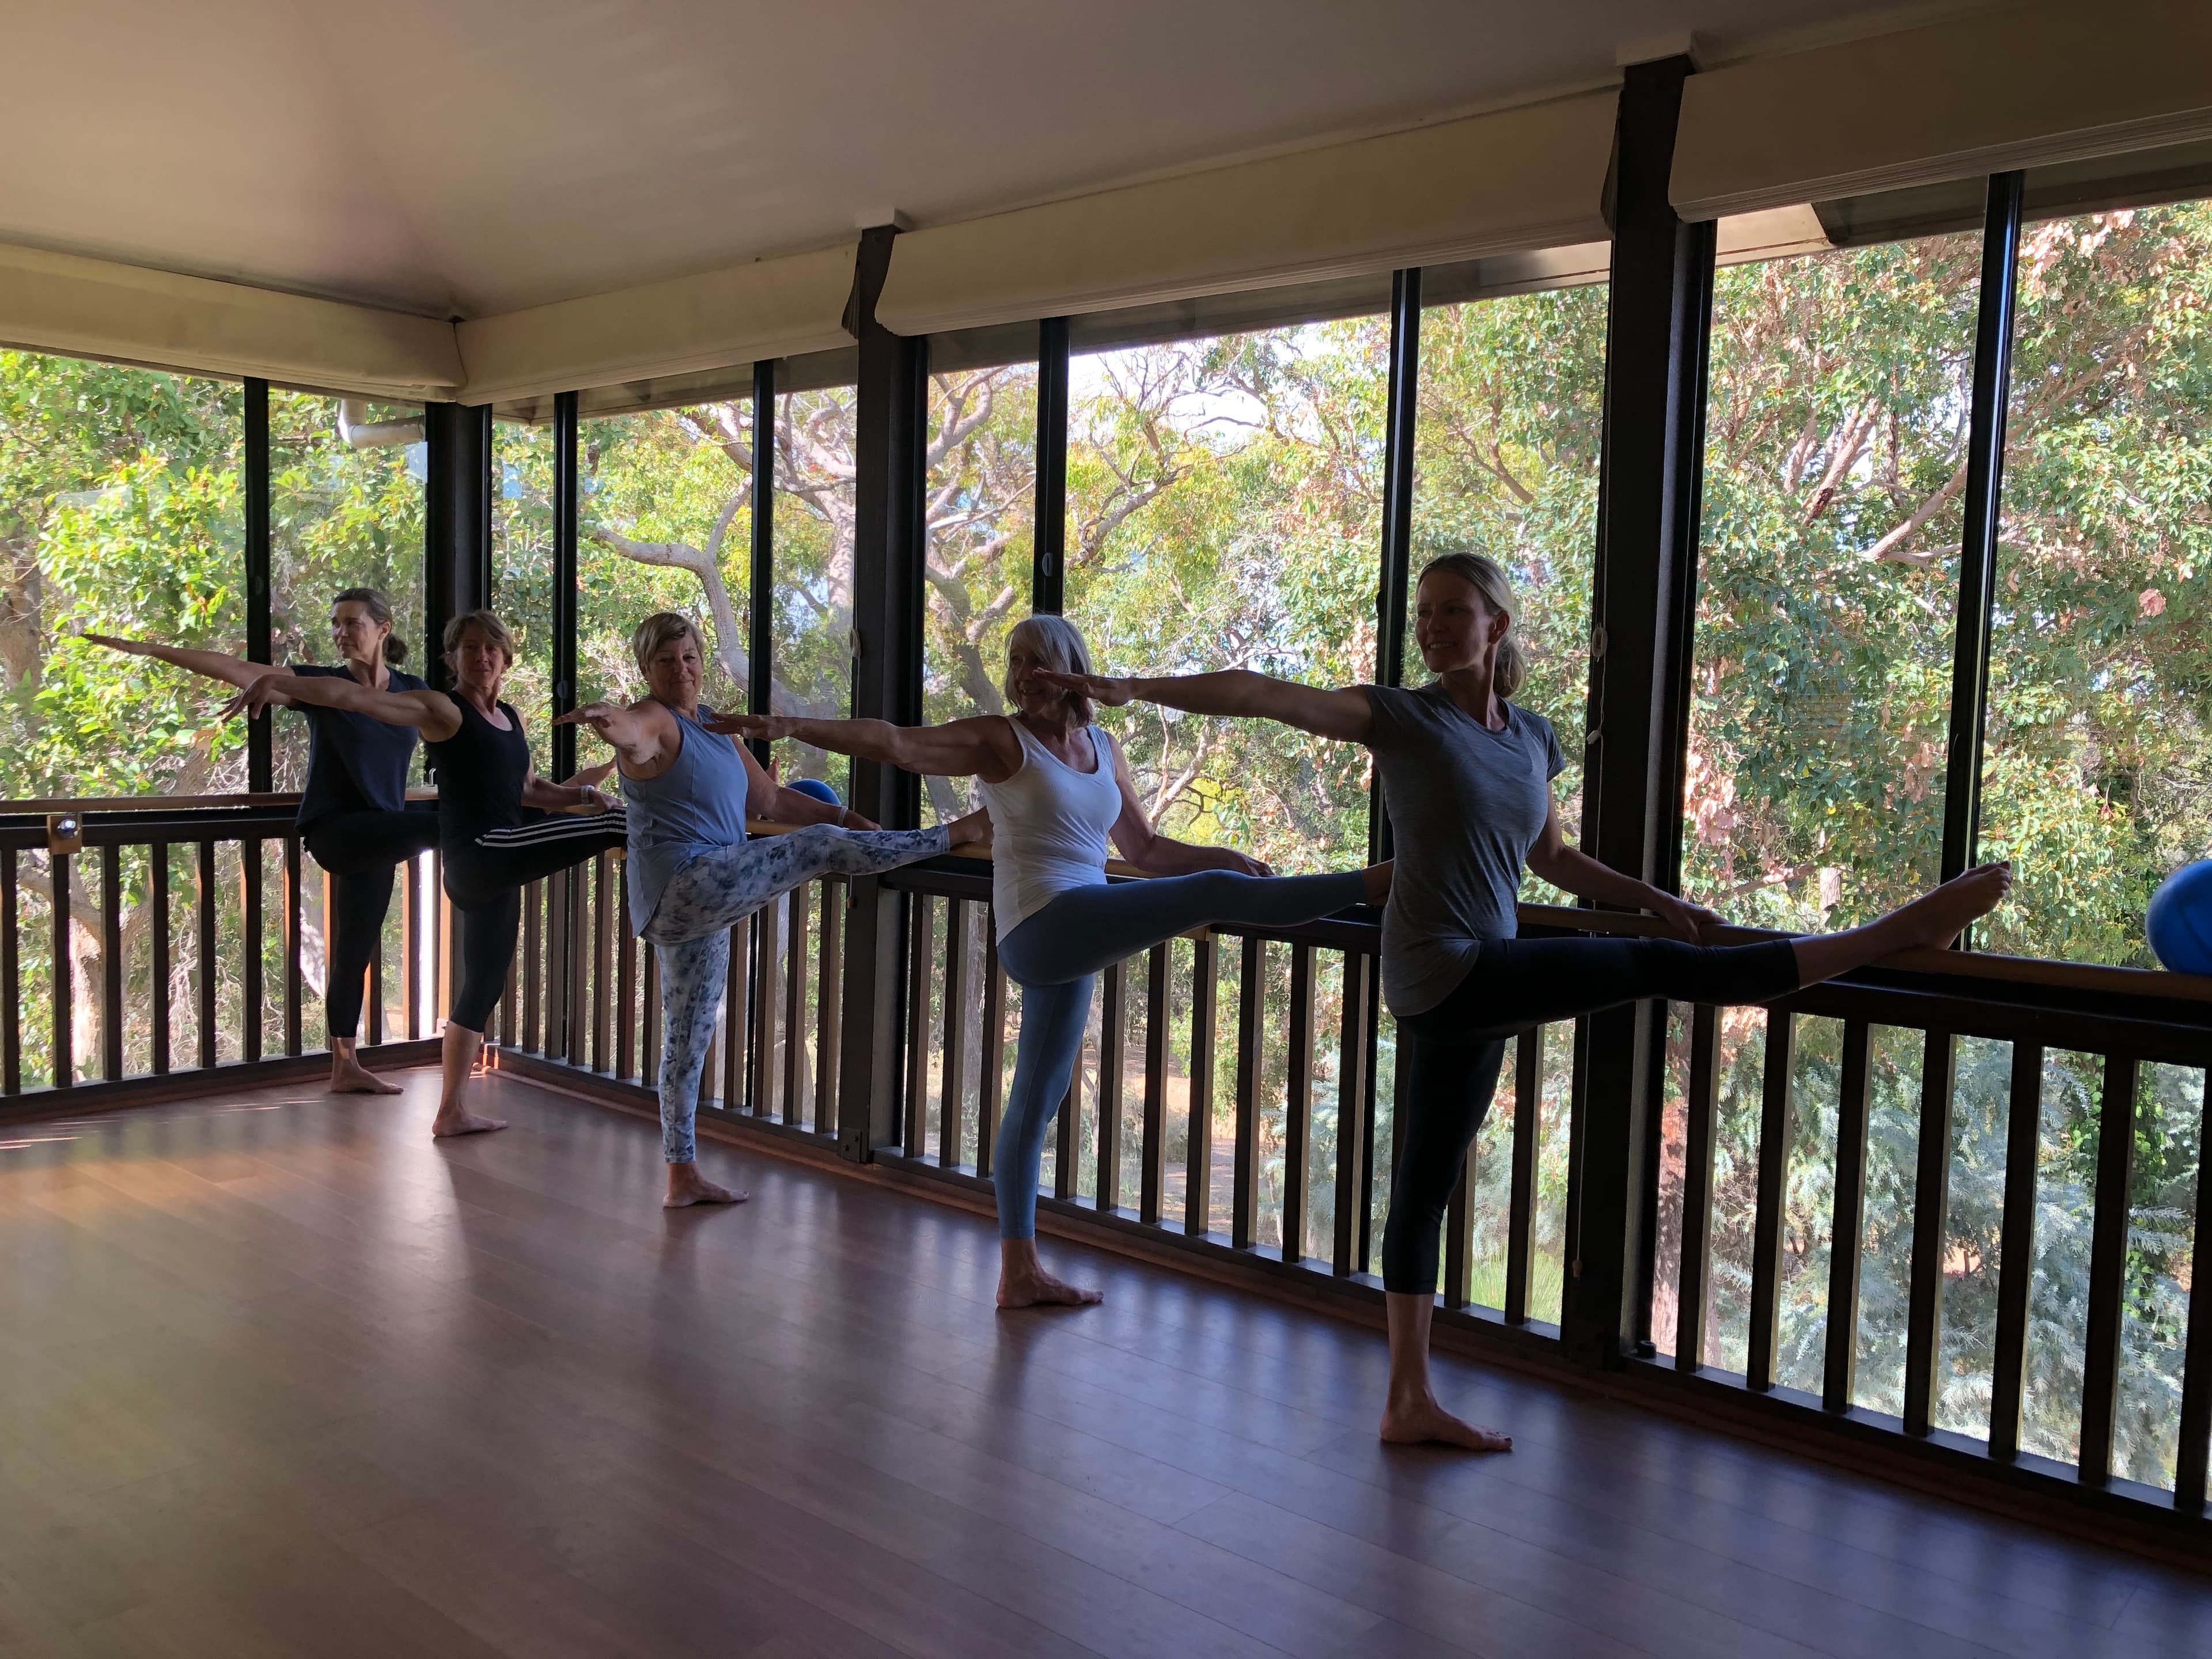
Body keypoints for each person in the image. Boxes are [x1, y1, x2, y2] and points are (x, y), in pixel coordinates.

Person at [1034, 551, 2011, 1450]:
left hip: (1487, 967)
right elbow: (1265, 696)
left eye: (1451, 610)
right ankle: (1882, 938)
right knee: (1643, 972)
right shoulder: (1404, 718)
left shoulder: (1531, 740)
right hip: (1439, 967)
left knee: (1425, 1185)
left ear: (1496, 624)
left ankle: (1407, 1401)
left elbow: (1551, 857)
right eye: (1423, 613)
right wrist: (1135, 689)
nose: (1432, 626)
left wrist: (1652, 898)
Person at [718, 614, 1389, 1309]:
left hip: (1084, 925)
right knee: (1218, 897)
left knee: (1036, 1102)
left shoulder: (1103, 745)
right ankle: (1375, 883)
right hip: (1041, 926)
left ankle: (1018, 1273)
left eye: (1038, 661)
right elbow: (896, 743)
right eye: (1015, 661)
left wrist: (1220, 856)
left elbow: (1147, 853)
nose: (1023, 674)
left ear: (1073, 667)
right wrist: (791, 727)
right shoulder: (999, 740)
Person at [556, 612, 987, 1209]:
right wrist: (610, 721)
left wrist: (843, 818)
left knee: (687, 1038)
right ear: (646, 671)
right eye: (665, 661)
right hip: (689, 883)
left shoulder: (717, 729)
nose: (680, 669)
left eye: (688, 657)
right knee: (813, 852)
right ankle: (951, 834)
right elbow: (634, 732)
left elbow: (772, 800)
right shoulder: (653, 719)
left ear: (702, 662)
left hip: (685, 902)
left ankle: (681, 1178)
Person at [226, 609, 626, 1138]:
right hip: (482, 852)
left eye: (491, 649)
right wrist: (276, 680)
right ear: (452, 658)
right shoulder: (443, 709)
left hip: (499, 862)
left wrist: (580, 796)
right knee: (622, 824)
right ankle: (694, 865)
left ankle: (451, 1111)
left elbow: (529, 791)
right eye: (469, 648)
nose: (481, 657)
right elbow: (356, 698)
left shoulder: (510, 717)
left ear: (506, 657)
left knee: (482, 987)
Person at [87, 590, 440, 1094]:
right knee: (447, 824)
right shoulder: (324, 685)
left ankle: (345, 1066)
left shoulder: (411, 690)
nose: (340, 633)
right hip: (338, 830)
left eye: (351, 623)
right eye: (335, 623)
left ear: (383, 628)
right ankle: (501, 834)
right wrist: (153, 651)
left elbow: (454, 736)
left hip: (380, 832)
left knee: (356, 950)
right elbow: (236, 668)